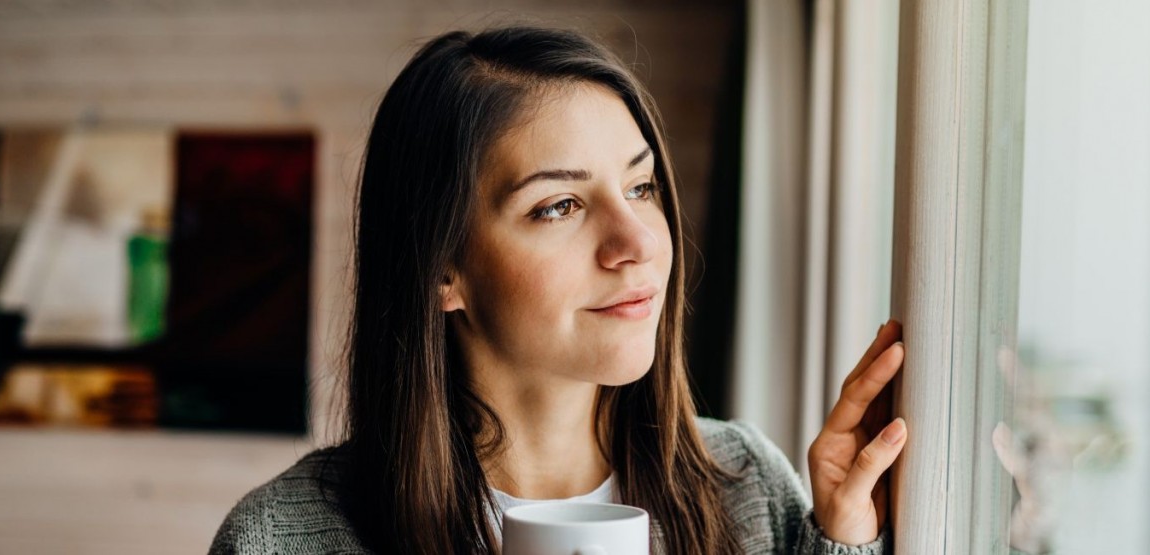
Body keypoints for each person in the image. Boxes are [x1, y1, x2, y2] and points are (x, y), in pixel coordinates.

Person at [209, 25, 907, 554]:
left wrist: (841, 538)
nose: (637, 242)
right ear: (441, 269)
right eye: (558, 207)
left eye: (641, 187)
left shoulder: (749, 487)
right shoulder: (280, 536)